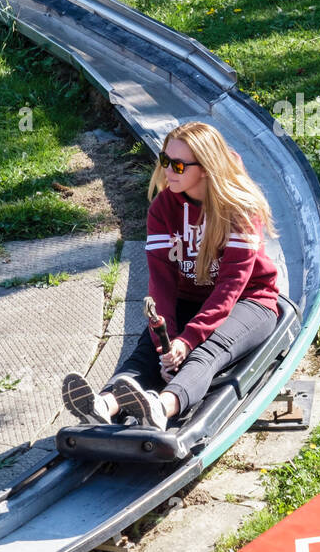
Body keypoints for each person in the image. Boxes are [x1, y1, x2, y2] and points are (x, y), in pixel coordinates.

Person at [62, 121, 282, 430]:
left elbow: (231, 287)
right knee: (147, 355)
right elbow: (161, 284)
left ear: (205, 168)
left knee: (206, 352)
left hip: (248, 300)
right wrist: (166, 344)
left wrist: (187, 341)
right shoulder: (163, 208)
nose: (168, 170)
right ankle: (104, 405)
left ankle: (161, 408)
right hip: (188, 298)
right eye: (165, 160)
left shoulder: (239, 209)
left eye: (178, 165)